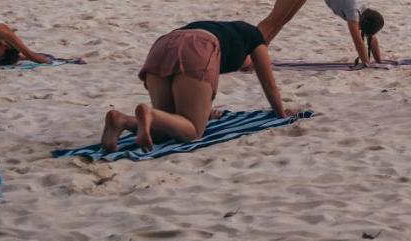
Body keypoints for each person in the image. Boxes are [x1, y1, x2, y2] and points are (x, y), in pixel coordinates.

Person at [100, 20, 296, 152]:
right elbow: (268, 82)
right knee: (192, 131)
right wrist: (280, 112)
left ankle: (122, 120)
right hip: (199, 46)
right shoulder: (255, 37)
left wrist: (206, 110)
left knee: (164, 130)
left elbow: (193, 85)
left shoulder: (226, 33)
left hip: (163, 44)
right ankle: (149, 113)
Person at [257, 0, 384, 66]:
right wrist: (366, 63)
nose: (361, 31)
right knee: (275, 18)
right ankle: (249, 50)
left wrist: (379, 61)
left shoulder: (365, 11)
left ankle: (260, 51)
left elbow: (371, 38)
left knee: (285, 18)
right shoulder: (353, 11)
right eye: (363, 29)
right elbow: (358, 41)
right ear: (363, 22)